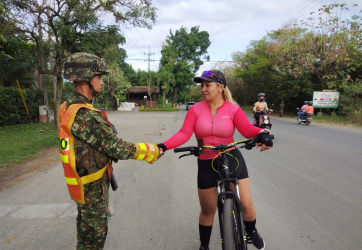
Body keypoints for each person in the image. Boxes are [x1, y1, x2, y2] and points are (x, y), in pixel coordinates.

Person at [157, 70, 273, 250]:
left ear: (221, 87)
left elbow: (247, 129)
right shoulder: (195, 109)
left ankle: (251, 231)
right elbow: (184, 133)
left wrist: (262, 133)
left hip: (231, 158)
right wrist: (163, 146)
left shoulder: (233, 109)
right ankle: (204, 246)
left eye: (207, 85)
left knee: (247, 205)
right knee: (208, 210)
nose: (203, 89)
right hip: (206, 161)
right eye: (201, 85)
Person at [59, 52, 160, 249]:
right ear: (85, 79)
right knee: (93, 240)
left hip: (84, 182)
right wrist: (151, 151)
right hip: (92, 187)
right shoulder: (84, 114)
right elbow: (117, 147)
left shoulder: (67, 106)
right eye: (99, 77)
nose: (102, 82)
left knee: (86, 236)